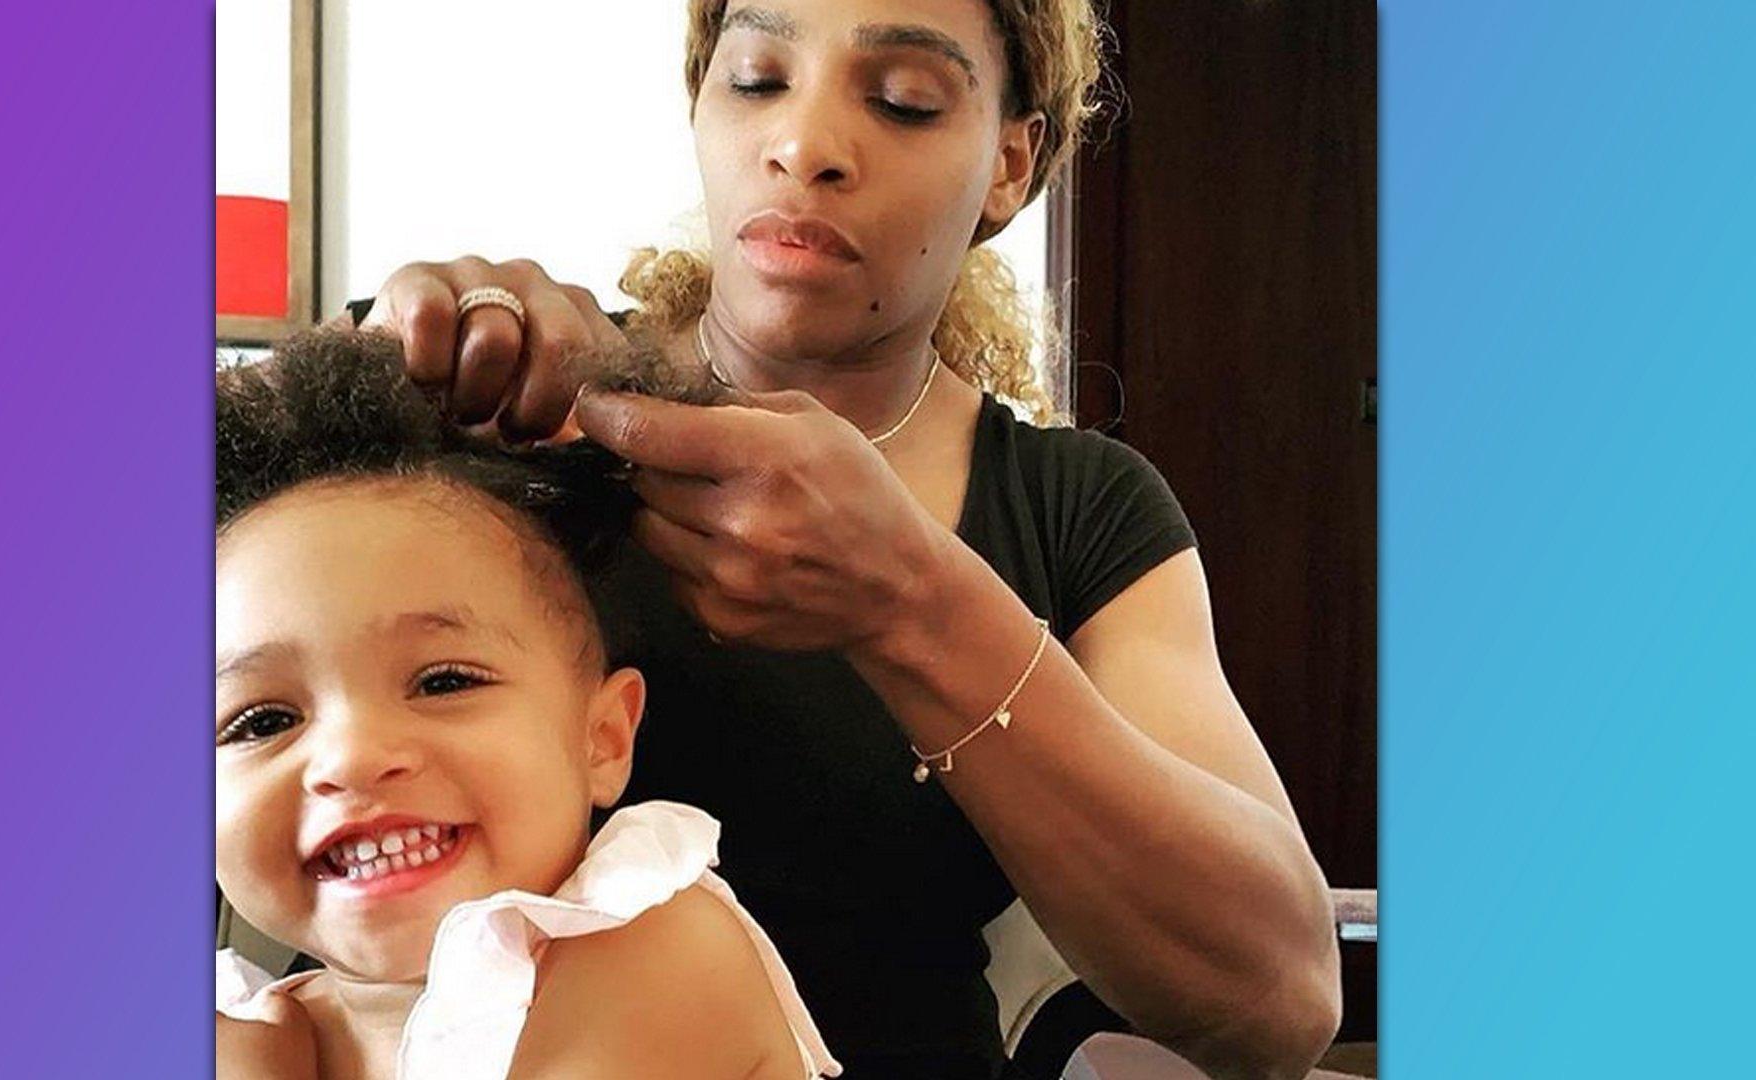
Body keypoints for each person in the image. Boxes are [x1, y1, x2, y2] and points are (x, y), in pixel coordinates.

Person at [345, 1, 1342, 1075]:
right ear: (701, 104)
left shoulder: (1081, 510)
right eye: (760, 81)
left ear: (1011, 163)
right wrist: (361, 409)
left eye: (903, 101)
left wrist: (915, 602)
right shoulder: (516, 415)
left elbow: (1280, 1000)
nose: (805, 146)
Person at [213, 330, 840, 1079]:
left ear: (602, 739)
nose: (351, 759)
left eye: (444, 681)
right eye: (264, 721)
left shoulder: (651, 949)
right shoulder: (261, 1024)